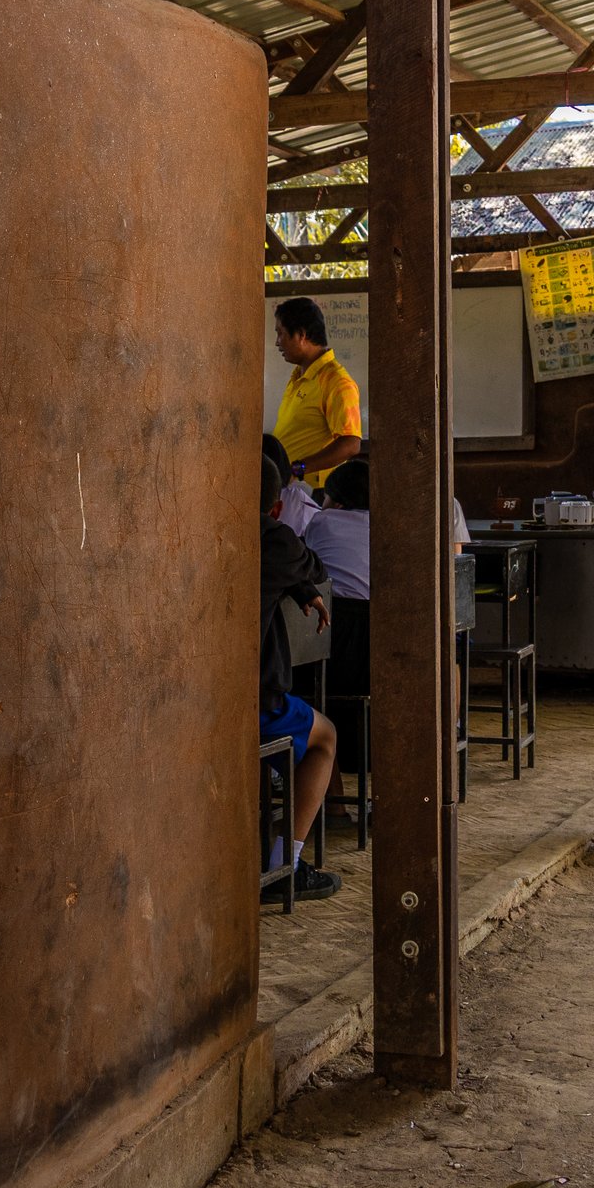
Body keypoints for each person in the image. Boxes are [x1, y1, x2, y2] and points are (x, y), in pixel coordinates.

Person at [258, 456, 340, 903]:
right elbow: (314, 568)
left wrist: (297, 586)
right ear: (276, 508)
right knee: (325, 736)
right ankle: (282, 866)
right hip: (251, 704)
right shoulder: (276, 539)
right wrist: (302, 585)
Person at [272, 297, 362, 489]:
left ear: (302, 335)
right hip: (289, 488)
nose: (277, 343)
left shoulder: (336, 380)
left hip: (311, 494)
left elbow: (351, 443)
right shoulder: (299, 374)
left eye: (281, 334)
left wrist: (299, 468)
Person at [298, 458, 371, 600]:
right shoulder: (382, 526)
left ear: (337, 504)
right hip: (371, 609)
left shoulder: (322, 520)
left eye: (325, 498)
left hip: (331, 606)